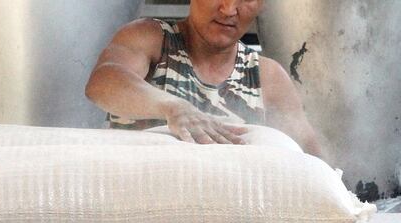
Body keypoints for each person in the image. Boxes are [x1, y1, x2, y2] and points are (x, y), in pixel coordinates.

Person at [85, 0, 323, 156]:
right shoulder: (151, 38)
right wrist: (174, 108)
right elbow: (104, 81)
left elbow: (315, 162)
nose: (229, 9)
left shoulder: (266, 76)